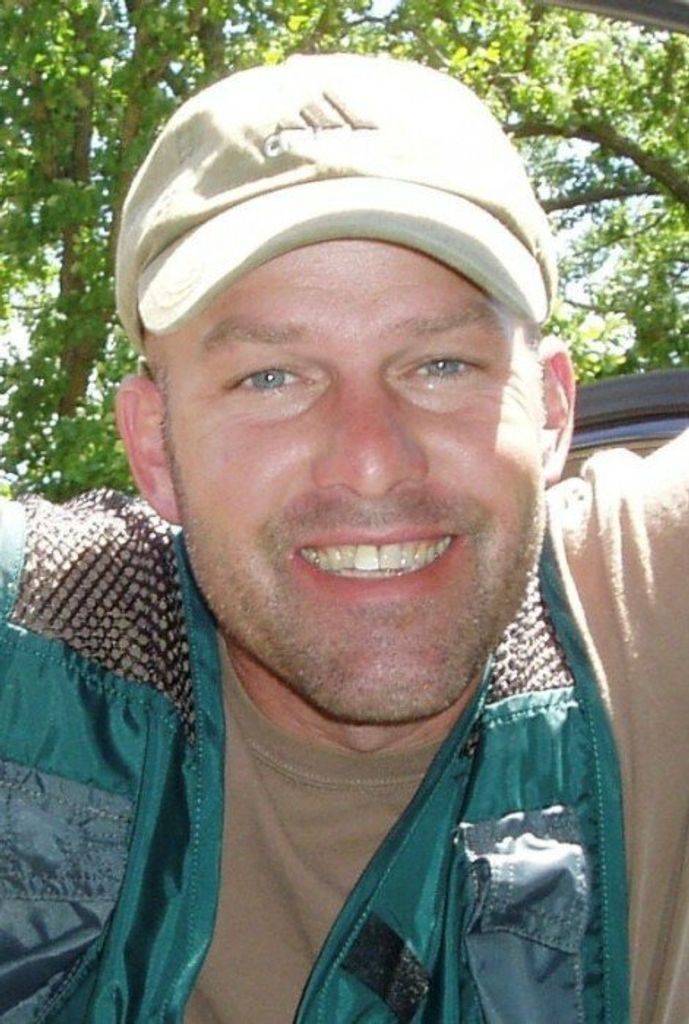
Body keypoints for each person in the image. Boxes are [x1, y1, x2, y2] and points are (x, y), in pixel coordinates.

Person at [0, 52, 686, 1024]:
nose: (369, 462)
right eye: (271, 378)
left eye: (440, 364)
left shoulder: (646, 600)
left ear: (549, 410)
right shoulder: (35, 643)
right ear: (154, 445)